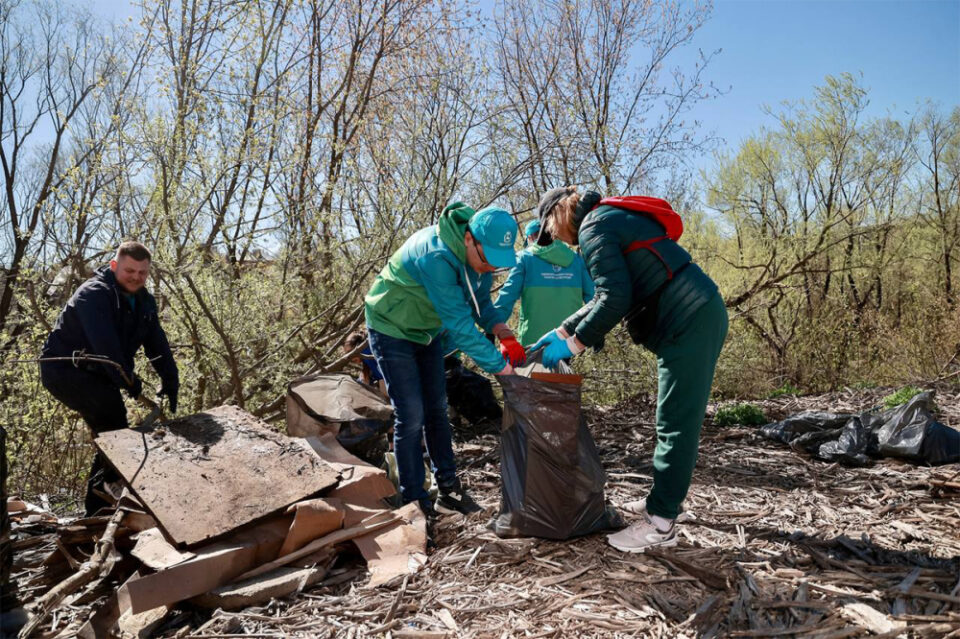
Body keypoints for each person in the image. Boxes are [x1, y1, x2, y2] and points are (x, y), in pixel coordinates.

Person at [532, 187, 728, 553]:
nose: (555, 237)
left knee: (675, 422)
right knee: (674, 419)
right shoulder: (605, 218)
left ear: (558, 213)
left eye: (551, 229)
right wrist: (562, 330)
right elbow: (603, 295)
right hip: (696, 313)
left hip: (689, 320)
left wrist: (573, 345)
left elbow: (614, 299)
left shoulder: (593, 228)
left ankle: (661, 524)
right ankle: (665, 500)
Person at [364, 203, 522, 517]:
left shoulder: (478, 260)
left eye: (497, 263)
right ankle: (413, 502)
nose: (491, 269)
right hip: (392, 327)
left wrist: (502, 331)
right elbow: (461, 326)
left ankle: (448, 491)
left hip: (427, 331)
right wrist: (504, 371)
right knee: (410, 414)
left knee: (436, 408)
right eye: (488, 260)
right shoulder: (435, 255)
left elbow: (481, 306)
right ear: (468, 239)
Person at [40, 241, 179, 515]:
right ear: (114, 266)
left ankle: (98, 506)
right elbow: (106, 349)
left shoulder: (144, 302)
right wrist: (129, 381)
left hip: (101, 373)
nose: (136, 277)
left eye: (142, 272)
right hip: (65, 370)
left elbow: (157, 345)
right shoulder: (93, 294)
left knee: (111, 430)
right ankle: (106, 493)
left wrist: (170, 379)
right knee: (114, 420)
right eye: (130, 270)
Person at [493, 218, 595, 347]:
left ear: (530, 237)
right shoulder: (576, 259)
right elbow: (592, 297)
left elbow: (507, 296)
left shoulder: (524, 258)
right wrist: (595, 332)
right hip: (569, 340)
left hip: (533, 341)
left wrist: (493, 326)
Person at [343, 331, 387, 396]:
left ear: (357, 346)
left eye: (350, 352)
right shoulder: (368, 350)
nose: (349, 357)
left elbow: (383, 378)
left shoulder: (367, 352)